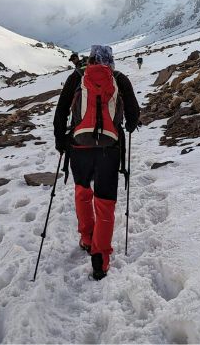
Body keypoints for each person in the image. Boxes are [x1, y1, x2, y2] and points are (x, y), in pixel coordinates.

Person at [53, 44, 140, 280]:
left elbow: (60, 111)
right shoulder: (119, 79)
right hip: (109, 151)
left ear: (90, 59)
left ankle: (86, 238)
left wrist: (60, 140)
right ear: (110, 60)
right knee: (104, 202)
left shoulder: (77, 76)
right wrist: (126, 125)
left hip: (79, 147)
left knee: (82, 192)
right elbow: (133, 116)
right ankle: (100, 259)